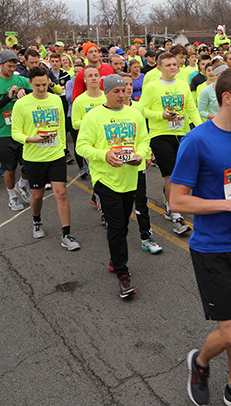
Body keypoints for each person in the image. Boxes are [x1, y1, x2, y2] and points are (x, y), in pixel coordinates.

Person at [168, 68, 231, 406]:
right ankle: (199, 362)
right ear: (227, 98)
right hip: (212, 250)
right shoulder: (196, 141)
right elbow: (177, 200)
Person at [76, 75, 149, 298]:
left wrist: (140, 156)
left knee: (124, 224)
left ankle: (114, 258)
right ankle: (123, 274)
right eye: (115, 91)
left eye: (124, 90)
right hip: (105, 180)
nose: (121, 95)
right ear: (106, 92)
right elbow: (81, 146)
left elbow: (144, 141)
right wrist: (104, 154)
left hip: (130, 178)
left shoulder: (135, 114)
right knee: (117, 227)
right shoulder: (94, 116)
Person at [10, 66, 78, 249]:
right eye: (37, 85)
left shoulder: (56, 100)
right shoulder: (21, 104)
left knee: (61, 193)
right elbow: (15, 132)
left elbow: (61, 125)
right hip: (34, 157)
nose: (41, 89)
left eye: (44, 85)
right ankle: (37, 221)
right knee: (37, 196)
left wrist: (63, 147)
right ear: (30, 84)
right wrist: (30, 139)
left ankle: (67, 235)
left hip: (55, 155)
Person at [140, 51, 202, 234]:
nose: (172, 68)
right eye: (168, 65)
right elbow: (141, 110)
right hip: (160, 134)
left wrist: (202, 130)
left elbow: (192, 109)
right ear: (160, 67)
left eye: (174, 64)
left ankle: (170, 200)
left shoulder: (183, 85)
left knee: (182, 173)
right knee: (171, 174)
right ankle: (176, 214)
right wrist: (161, 115)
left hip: (182, 134)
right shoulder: (152, 87)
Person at [0, 49, 33, 211]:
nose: (12, 69)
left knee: (29, 165)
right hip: (3, 132)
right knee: (9, 169)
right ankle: (12, 196)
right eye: (9, 66)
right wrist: (8, 97)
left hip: (24, 131)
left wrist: (25, 92)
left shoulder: (21, 80)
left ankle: (22, 185)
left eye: (14, 66)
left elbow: (38, 93)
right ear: (0, 65)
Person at [120, 73, 162, 255]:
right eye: (124, 85)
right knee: (121, 206)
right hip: (116, 166)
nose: (128, 88)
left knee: (141, 201)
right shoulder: (105, 111)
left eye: (130, 85)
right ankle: (119, 236)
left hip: (136, 163)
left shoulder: (138, 107)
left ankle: (146, 237)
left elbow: (143, 135)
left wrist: (146, 155)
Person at [71, 66, 106, 183]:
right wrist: (93, 122)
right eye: (90, 76)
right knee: (97, 173)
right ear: (85, 79)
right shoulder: (79, 101)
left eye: (96, 75)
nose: (94, 78)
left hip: (107, 140)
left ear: (100, 78)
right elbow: (75, 123)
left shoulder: (107, 97)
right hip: (90, 142)